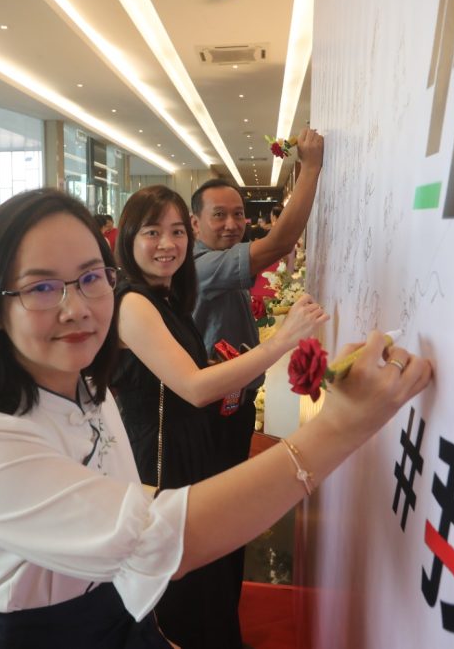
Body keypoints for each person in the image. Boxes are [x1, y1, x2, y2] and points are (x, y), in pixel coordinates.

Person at [0, 188, 432, 648]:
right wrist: (344, 422)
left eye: (90, 278)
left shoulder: (87, 390)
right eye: (42, 287)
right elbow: (158, 535)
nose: (76, 308)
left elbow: (130, 512)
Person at [112, 185, 328, 649]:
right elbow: (192, 388)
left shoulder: (166, 296)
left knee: (207, 575)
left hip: (191, 448)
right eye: (152, 232)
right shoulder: (132, 303)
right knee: (181, 585)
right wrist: (281, 342)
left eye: (176, 232)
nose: (167, 244)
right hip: (162, 461)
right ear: (129, 238)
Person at [188, 127, 324, 599]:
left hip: (233, 407)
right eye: (219, 215)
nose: (232, 224)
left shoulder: (218, 259)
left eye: (239, 214)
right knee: (218, 517)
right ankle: (211, 611)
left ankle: (222, 605)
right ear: (194, 224)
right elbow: (280, 243)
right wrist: (311, 168)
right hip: (212, 413)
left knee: (229, 518)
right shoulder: (203, 266)